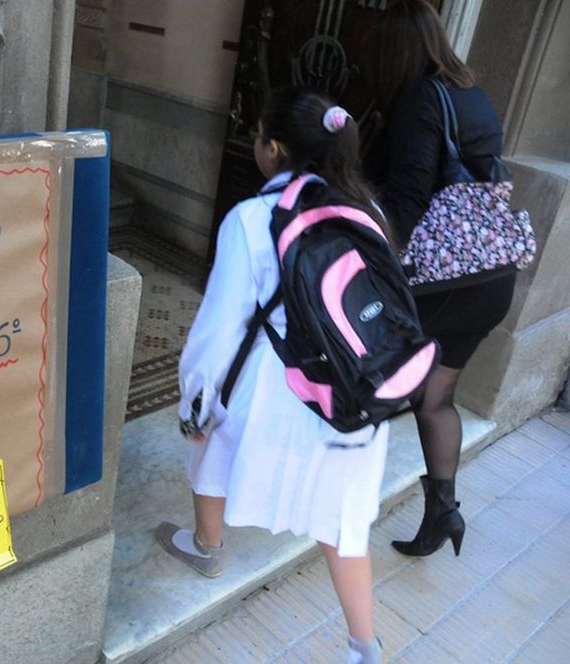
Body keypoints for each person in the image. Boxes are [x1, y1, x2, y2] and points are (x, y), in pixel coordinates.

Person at [156, 87, 389, 664]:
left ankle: (207, 547)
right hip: (351, 395)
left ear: (273, 150)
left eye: (259, 135)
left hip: (273, 382)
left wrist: (196, 398)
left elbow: (220, 327)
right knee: (343, 518)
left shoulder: (251, 218)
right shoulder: (370, 212)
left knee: (210, 444)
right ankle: (366, 647)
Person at [363, 0, 513, 558]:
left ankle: (335, 505)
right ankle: (443, 514)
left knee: (368, 388)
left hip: (439, 284)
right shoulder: (471, 93)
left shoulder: (421, 100)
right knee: (436, 399)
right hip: (487, 276)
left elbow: (406, 202)